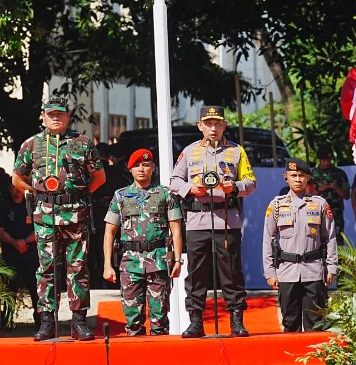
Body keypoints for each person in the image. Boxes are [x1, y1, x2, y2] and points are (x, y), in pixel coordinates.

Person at [12, 95, 106, 342]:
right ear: (43, 116)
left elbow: (99, 177)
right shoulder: (31, 145)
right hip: (45, 216)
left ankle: (78, 322)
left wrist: (78, 194)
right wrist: (37, 193)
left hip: (77, 214)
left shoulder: (82, 143)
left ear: (68, 116)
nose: (55, 117)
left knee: (78, 268)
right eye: (51, 114)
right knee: (47, 270)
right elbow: (17, 178)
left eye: (60, 113)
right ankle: (46, 322)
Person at [170, 105, 257, 338]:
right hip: (198, 220)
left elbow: (250, 182)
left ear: (224, 125)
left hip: (227, 220)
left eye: (218, 123)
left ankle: (236, 321)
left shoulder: (236, 151)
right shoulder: (189, 152)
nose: (213, 128)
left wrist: (235, 187)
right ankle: (196, 321)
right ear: (200, 126)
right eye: (208, 123)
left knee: (231, 273)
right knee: (197, 274)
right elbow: (174, 180)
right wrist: (191, 188)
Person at [103, 148, 183, 336]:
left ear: (153, 168)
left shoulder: (165, 194)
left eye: (146, 165)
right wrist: (108, 264)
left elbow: (176, 229)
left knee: (159, 318)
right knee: (132, 320)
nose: (141, 169)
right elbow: (109, 232)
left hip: (158, 261)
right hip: (130, 263)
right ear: (129, 169)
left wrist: (178, 260)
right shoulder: (120, 196)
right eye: (136, 165)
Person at [262, 158, 338, 332]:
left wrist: (331, 267)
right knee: (290, 324)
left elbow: (330, 237)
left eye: (302, 175)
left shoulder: (319, 204)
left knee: (315, 323)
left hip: (314, 271)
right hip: (287, 272)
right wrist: (270, 272)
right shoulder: (277, 205)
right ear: (285, 177)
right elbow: (268, 238)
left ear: (308, 178)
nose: (298, 179)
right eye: (293, 175)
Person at [0, 184, 40, 330]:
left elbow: (40, 228)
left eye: (19, 187)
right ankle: (7, 321)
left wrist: (25, 241)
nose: (17, 190)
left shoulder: (32, 205)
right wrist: (15, 243)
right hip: (11, 253)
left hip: (31, 252)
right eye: (13, 187)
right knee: (10, 288)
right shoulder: (4, 206)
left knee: (35, 288)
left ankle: (40, 321)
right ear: (10, 188)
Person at [89, 142, 130, 289]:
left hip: (94, 213)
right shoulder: (116, 172)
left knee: (94, 249)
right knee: (112, 246)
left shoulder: (93, 172)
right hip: (111, 212)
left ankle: (95, 280)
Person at [311, 144, 349, 241]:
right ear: (319, 160)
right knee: (319, 240)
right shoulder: (313, 174)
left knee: (338, 241)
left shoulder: (340, 174)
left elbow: (347, 195)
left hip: (336, 213)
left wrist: (336, 188)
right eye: (324, 160)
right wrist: (320, 189)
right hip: (319, 212)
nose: (327, 163)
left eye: (328, 160)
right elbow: (308, 194)